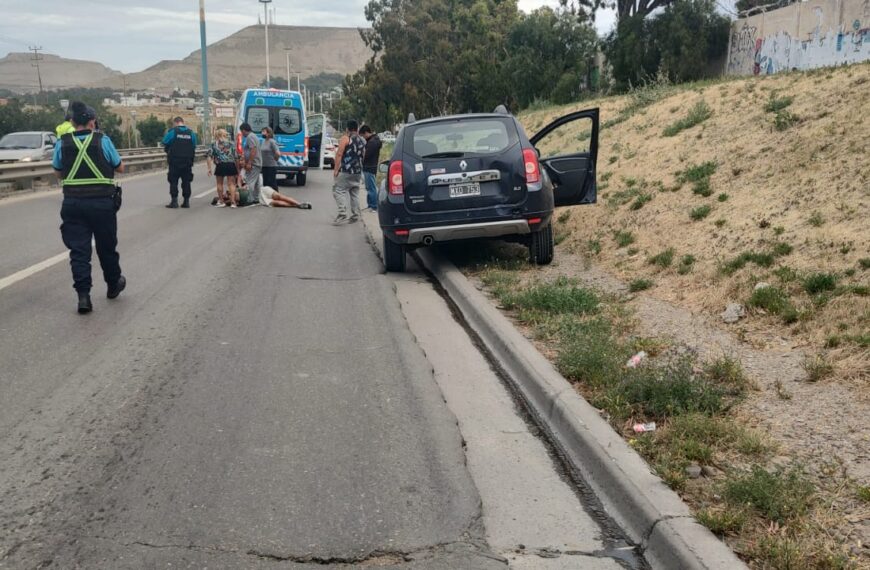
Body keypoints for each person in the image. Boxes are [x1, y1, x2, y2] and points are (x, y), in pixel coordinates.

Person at [52, 101, 126, 314]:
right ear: (93, 122)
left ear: (72, 122)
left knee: (79, 251)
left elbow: (58, 172)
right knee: (106, 247)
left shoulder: (62, 142)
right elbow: (120, 167)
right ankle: (113, 285)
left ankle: (83, 297)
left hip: (73, 204)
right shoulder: (103, 140)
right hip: (102, 204)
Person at [331, 120, 366, 225]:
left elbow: (339, 154)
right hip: (358, 171)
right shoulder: (362, 140)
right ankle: (355, 215)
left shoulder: (346, 138)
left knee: (338, 190)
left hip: (346, 170)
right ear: (357, 129)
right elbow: (364, 155)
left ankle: (342, 213)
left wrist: (336, 169)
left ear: (347, 129)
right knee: (354, 193)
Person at [162, 116, 198, 209]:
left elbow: (164, 142)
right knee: (186, 181)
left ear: (176, 123)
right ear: (183, 122)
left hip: (174, 161)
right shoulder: (191, 133)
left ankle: (174, 202)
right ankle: (186, 202)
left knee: (173, 181)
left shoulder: (172, 132)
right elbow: (194, 145)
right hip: (187, 162)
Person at [206, 128, 240, 208]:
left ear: (217, 135)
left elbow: (209, 157)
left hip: (220, 165)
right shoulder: (231, 144)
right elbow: (236, 157)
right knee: (231, 184)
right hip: (230, 164)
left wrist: (209, 168)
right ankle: (233, 202)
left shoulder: (214, 144)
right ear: (225, 135)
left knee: (219, 184)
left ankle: (221, 201)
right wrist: (237, 169)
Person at [239, 122, 262, 205]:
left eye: (242, 131)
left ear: (244, 130)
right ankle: (256, 198)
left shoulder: (250, 137)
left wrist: (249, 163)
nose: (242, 133)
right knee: (256, 182)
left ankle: (249, 199)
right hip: (257, 162)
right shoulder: (254, 136)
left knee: (250, 181)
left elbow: (253, 150)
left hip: (254, 163)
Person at [360, 125, 382, 212]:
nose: (363, 137)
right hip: (370, 166)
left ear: (366, 133)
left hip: (369, 167)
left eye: (363, 135)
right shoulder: (373, 140)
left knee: (371, 187)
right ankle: (370, 204)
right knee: (369, 187)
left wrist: (362, 156)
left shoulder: (372, 142)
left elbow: (366, 155)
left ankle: (374, 206)